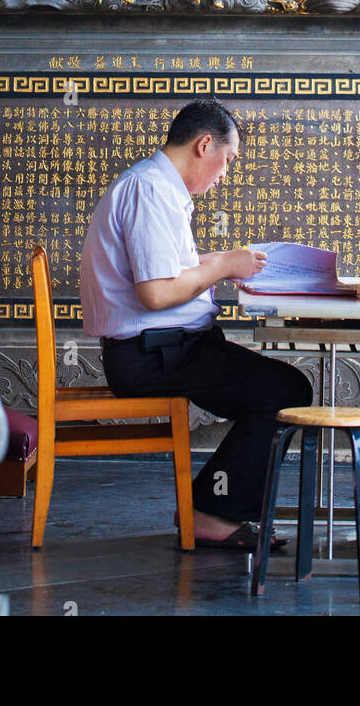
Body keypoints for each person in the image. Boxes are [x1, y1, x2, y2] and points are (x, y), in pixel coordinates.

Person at [80, 98, 313, 549]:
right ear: (205, 144)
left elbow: (171, 270)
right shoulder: (149, 191)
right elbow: (157, 292)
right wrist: (225, 265)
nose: (225, 173)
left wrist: (225, 261)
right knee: (285, 392)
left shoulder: (157, 188)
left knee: (280, 387)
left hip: (165, 349)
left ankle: (214, 505)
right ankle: (210, 512)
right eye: (227, 160)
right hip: (153, 356)